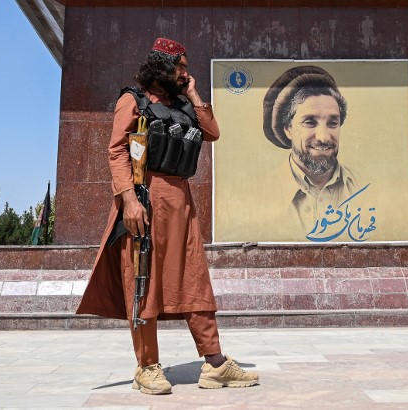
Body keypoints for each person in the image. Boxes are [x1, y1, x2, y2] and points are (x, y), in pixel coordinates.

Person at [77, 37, 258, 395]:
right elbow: (117, 152)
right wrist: (129, 200)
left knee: (195, 279)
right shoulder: (134, 100)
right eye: (180, 67)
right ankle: (147, 367)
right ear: (162, 65)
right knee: (142, 278)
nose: (185, 73)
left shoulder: (183, 104)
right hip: (146, 198)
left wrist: (193, 94)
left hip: (181, 202)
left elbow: (213, 133)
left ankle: (216, 364)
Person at [262, 65, 363, 237]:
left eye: (332, 123)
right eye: (310, 122)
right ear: (288, 129)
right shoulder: (261, 195)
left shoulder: (364, 187)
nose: (323, 137)